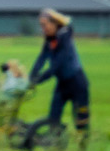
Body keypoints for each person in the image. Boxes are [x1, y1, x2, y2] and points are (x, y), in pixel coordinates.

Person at [29, 9, 90, 139]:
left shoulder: (65, 37)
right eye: (41, 26)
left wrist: (39, 79)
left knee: (81, 119)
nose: (43, 29)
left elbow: (57, 65)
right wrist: (31, 76)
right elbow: (42, 58)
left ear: (55, 23)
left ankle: (83, 144)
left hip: (77, 83)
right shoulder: (50, 40)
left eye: (44, 25)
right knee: (53, 116)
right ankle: (55, 142)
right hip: (62, 84)